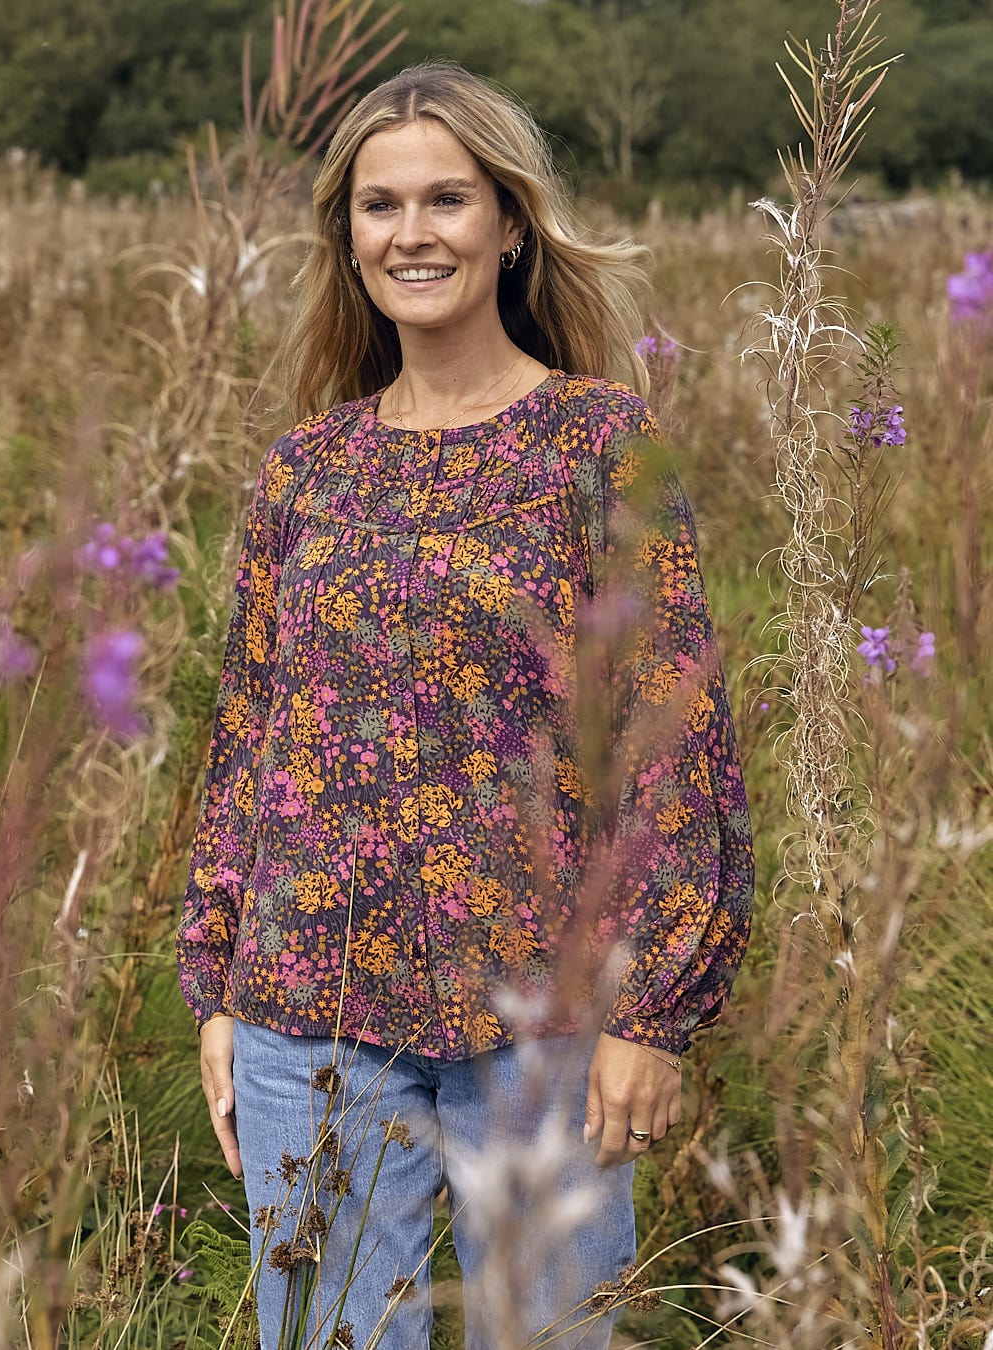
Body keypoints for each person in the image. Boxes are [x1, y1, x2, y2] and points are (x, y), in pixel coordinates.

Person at [176, 60, 754, 1350]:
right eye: (381, 206)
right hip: (309, 1013)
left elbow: (674, 740)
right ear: (348, 237)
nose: (414, 233)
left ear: (510, 226)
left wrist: (655, 1010)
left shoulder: (602, 443)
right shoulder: (306, 475)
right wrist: (221, 987)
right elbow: (249, 744)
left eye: (448, 198)